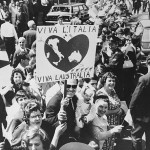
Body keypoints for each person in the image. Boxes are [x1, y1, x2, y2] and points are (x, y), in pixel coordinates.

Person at [45, 79, 79, 148]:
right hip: (60, 142)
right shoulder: (53, 103)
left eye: (74, 86)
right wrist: (58, 117)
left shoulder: (74, 98)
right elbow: (47, 124)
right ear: (61, 85)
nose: (71, 89)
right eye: (68, 86)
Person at [95, 72, 125, 150]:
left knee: (110, 146)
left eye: (113, 81)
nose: (112, 83)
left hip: (113, 125)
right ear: (104, 82)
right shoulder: (101, 94)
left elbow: (118, 104)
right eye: (110, 81)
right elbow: (100, 111)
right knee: (103, 146)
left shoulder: (113, 92)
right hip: (103, 126)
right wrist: (115, 111)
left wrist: (120, 110)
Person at [129, 55, 150, 150]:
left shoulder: (144, 79)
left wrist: (131, 112)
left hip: (141, 116)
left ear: (147, 63)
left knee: (136, 138)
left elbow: (135, 98)